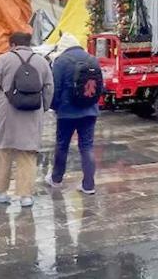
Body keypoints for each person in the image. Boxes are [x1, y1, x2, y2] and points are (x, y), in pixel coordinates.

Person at [0, 32, 54, 208]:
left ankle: (0, 192)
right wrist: (44, 107)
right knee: (28, 154)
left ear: (13, 44)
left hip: (6, 111)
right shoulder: (41, 61)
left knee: (4, 152)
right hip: (33, 111)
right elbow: (49, 87)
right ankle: (26, 196)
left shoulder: (4, 59)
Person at [45, 33, 102, 195]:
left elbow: (54, 88)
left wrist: (55, 107)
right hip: (90, 111)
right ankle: (89, 185)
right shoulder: (92, 59)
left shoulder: (61, 61)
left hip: (67, 112)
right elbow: (100, 86)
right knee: (87, 147)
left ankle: (56, 179)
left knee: (62, 145)